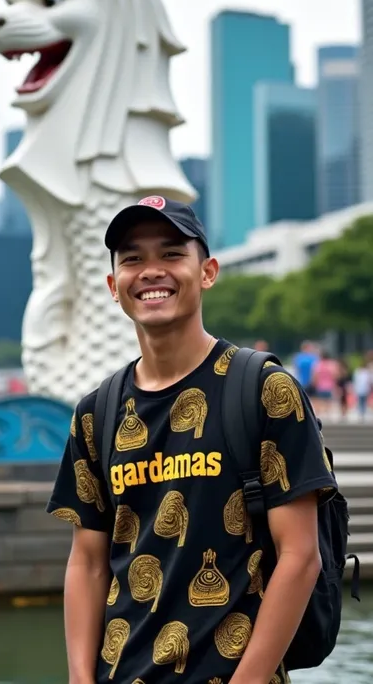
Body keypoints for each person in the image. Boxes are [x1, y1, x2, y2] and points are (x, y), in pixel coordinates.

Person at [47, 196, 336, 684]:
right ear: (113, 286)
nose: (151, 271)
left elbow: (300, 556)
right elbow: (89, 561)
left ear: (207, 272)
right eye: (133, 259)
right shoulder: (97, 412)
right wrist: (80, 677)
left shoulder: (263, 390)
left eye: (172, 254)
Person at [311, 350, 339, 416]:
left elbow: (315, 375)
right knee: (329, 401)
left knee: (320, 401)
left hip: (320, 386)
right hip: (330, 386)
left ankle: (320, 415)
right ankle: (327, 414)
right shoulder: (332, 364)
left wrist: (314, 383)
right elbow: (335, 375)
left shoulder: (318, 364)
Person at [352, 356, 371, 421]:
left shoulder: (364, 372)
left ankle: (362, 413)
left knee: (363, 401)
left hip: (363, 389)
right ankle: (361, 413)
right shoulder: (359, 371)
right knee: (361, 401)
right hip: (361, 389)